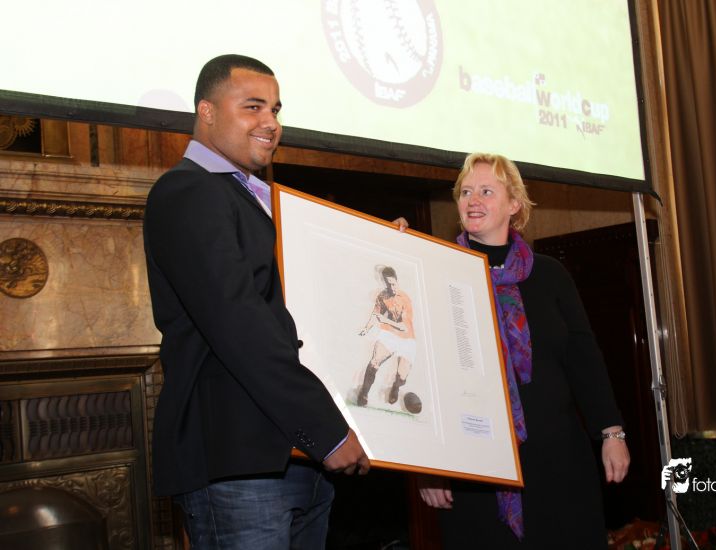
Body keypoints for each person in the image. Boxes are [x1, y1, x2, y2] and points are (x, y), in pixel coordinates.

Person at [143, 54, 369, 549]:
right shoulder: (188, 191)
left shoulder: (257, 197)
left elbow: (298, 304)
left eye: (275, 109)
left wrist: (382, 253)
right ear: (206, 111)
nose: (271, 122)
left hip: (296, 457)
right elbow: (239, 322)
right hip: (240, 461)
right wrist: (324, 429)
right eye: (252, 106)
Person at [415, 153, 630, 549]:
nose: (472, 200)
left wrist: (611, 432)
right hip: (473, 467)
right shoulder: (438, 271)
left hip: (558, 461)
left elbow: (584, 360)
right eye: (465, 192)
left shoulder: (550, 275)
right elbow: (424, 372)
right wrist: (428, 466)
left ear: (514, 204)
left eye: (486, 191)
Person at [356, 266, 416, 407]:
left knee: (402, 375)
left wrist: (385, 320)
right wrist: (366, 328)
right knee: (374, 362)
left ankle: (396, 387)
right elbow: (375, 315)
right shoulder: (382, 296)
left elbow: (404, 327)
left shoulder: (405, 299)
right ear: (384, 284)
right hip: (389, 335)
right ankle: (364, 393)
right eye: (388, 285)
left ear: (397, 281)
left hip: (407, 339)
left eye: (393, 284)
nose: (392, 288)